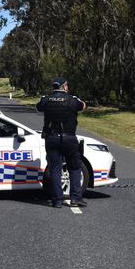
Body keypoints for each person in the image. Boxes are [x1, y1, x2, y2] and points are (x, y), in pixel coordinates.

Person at [35, 77, 87, 208]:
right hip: (69, 138)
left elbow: (38, 107)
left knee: (55, 170)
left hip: (51, 138)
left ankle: (57, 200)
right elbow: (83, 106)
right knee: (75, 168)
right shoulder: (71, 100)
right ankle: (75, 198)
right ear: (64, 86)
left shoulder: (46, 99)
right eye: (67, 86)